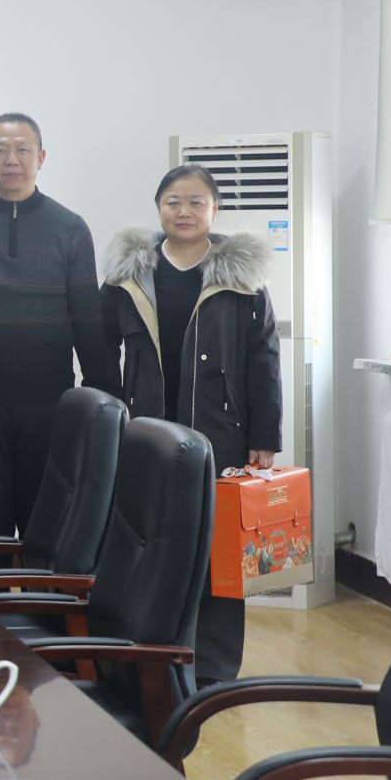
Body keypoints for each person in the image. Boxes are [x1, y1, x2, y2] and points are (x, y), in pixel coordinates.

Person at [102, 163, 280, 686]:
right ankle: (153, 651)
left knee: (218, 549)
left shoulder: (242, 277)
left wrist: (265, 437)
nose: (184, 211)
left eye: (196, 202)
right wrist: (112, 417)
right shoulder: (129, 274)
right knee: (152, 539)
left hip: (222, 431)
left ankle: (215, 668)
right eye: (173, 201)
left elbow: (264, 359)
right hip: (148, 430)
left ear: (215, 210)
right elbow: (100, 349)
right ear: (158, 208)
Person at [0, 113, 110, 546]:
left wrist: (103, 400)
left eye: (22, 150)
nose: (11, 159)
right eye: (0, 150)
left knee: (46, 524)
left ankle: (40, 596)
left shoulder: (70, 228)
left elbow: (88, 320)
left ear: (41, 157)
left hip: (51, 405)